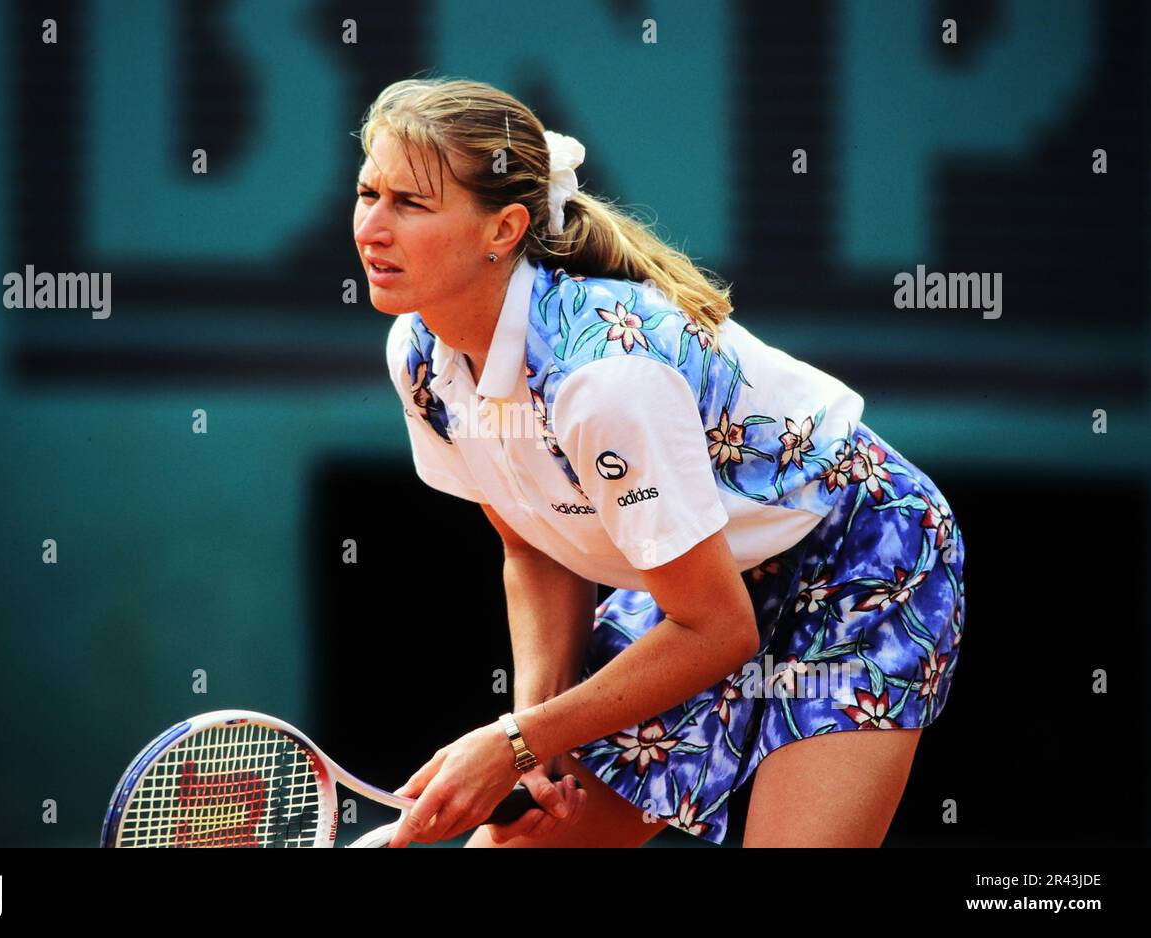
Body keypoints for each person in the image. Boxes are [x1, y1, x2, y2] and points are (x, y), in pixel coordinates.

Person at [352, 77, 966, 848]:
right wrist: (534, 742)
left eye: (409, 203)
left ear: (503, 228)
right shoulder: (419, 354)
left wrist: (515, 741)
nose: (372, 227)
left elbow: (715, 630)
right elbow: (534, 549)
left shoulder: (602, 379)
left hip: (860, 557)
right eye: (367, 192)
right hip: (700, 573)